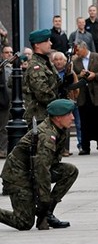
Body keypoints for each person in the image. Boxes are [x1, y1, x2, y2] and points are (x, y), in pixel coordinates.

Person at [0, 99, 78, 231]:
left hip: (32, 170)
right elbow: (42, 171)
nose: (73, 117)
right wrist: (44, 201)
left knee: (70, 171)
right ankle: (45, 211)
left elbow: (45, 166)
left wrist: (44, 212)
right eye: (69, 114)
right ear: (58, 117)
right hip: (17, 177)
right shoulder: (46, 136)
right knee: (24, 223)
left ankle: (47, 214)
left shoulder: (59, 129)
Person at [72, 41, 98, 155]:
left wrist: (95, 75)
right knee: (84, 122)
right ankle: (85, 147)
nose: (77, 53)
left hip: (97, 94)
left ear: (84, 48)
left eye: (78, 50)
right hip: (84, 95)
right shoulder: (76, 61)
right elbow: (73, 76)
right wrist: (81, 76)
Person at [22, 29, 60, 123]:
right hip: (40, 117)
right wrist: (59, 101)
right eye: (47, 41)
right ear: (37, 44)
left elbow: (57, 83)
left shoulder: (46, 62)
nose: (50, 43)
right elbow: (43, 94)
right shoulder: (35, 66)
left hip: (50, 115)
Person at [0, 46, 14, 158]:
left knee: (7, 127)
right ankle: (3, 149)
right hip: (2, 101)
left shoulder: (15, 67)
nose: (9, 54)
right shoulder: (2, 67)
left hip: (12, 101)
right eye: (6, 52)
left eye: (11, 52)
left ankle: (5, 149)